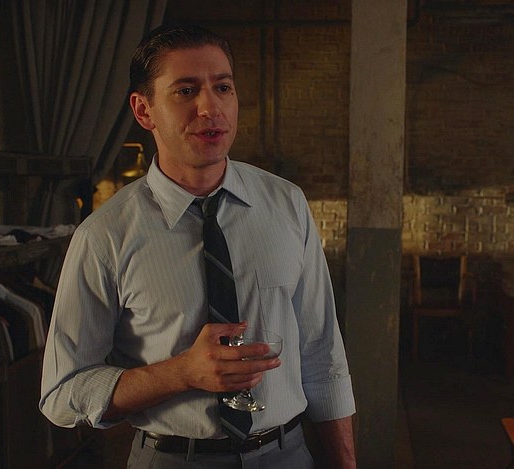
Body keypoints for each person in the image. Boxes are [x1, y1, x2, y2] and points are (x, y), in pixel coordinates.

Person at [39, 23, 357, 468]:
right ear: (144, 110)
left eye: (222, 87)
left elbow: (323, 354)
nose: (210, 107)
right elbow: (62, 392)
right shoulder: (104, 237)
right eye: (186, 91)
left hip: (287, 454)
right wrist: (180, 373)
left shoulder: (286, 205)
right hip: (173, 458)